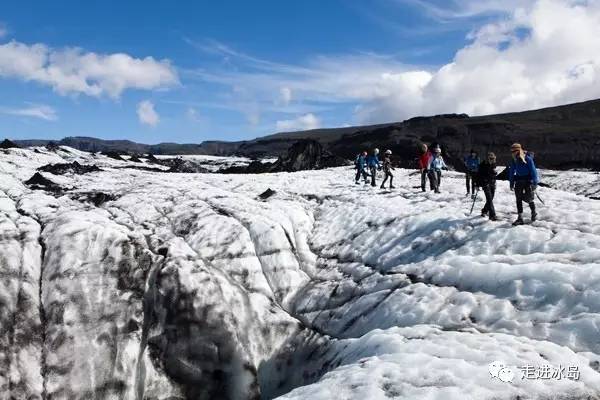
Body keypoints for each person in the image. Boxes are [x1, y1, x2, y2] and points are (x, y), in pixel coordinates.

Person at [508, 143, 539, 225]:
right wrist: (511, 183)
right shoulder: (514, 159)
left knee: (529, 198)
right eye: (512, 151)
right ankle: (520, 218)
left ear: (519, 150)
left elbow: (533, 171)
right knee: (518, 199)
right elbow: (511, 171)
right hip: (519, 181)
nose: (513, 152)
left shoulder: (527, 159)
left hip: (528, 181)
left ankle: (533, 212)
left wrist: (535, 183)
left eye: (514, 150)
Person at [475, 152, 498, 221]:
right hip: (485, 183)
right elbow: (478, 175)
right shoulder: (483, 165)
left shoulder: (494, 164)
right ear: (488, 158)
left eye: (493, 158)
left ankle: (484, 211)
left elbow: (493, 174)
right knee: (489, 199)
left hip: (492, 183)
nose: (492, 160)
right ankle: (492, 215)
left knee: (491, 198)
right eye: (490, 158)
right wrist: (477, 185)